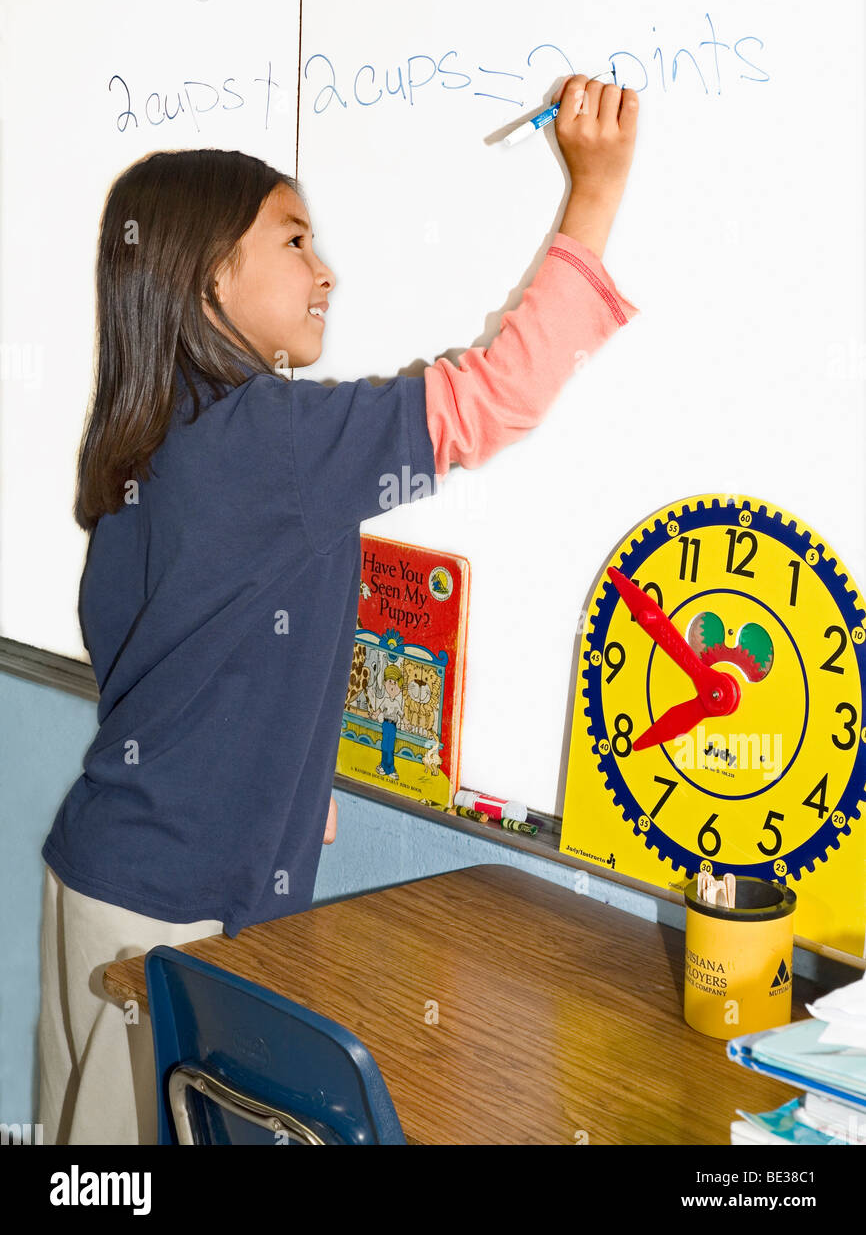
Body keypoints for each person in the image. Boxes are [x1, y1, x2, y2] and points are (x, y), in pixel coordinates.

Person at [38, 73, 640, 1144]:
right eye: (295, 242)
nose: (327, 272)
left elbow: (185, 658)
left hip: (100, 873)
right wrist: (592, 192)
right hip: (177, 910)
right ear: (207, 275)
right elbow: (493, 394)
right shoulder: (268, 439)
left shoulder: (150, 432)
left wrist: (291, 779)